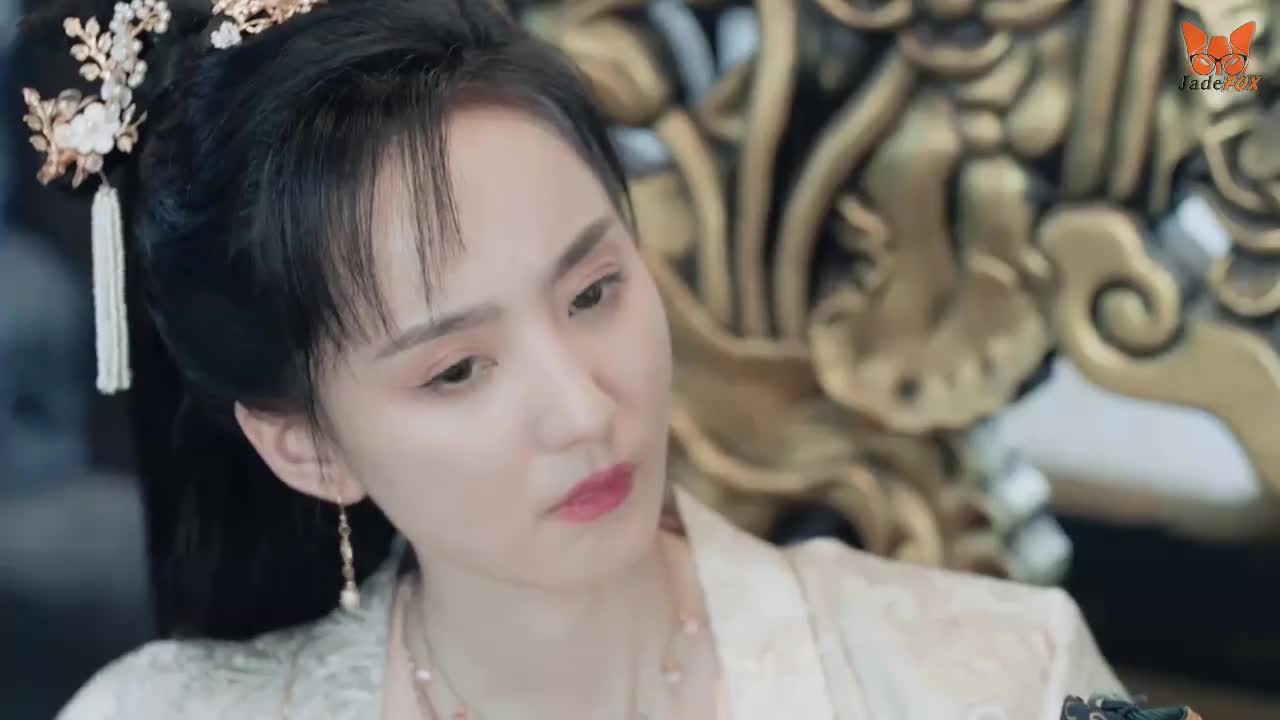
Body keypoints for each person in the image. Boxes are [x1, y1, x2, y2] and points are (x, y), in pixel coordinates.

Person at [22, 0, 1127, 717]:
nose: (582, 410)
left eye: (593, 293)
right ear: (307, 447)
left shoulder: (993, 678)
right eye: (456, 369)